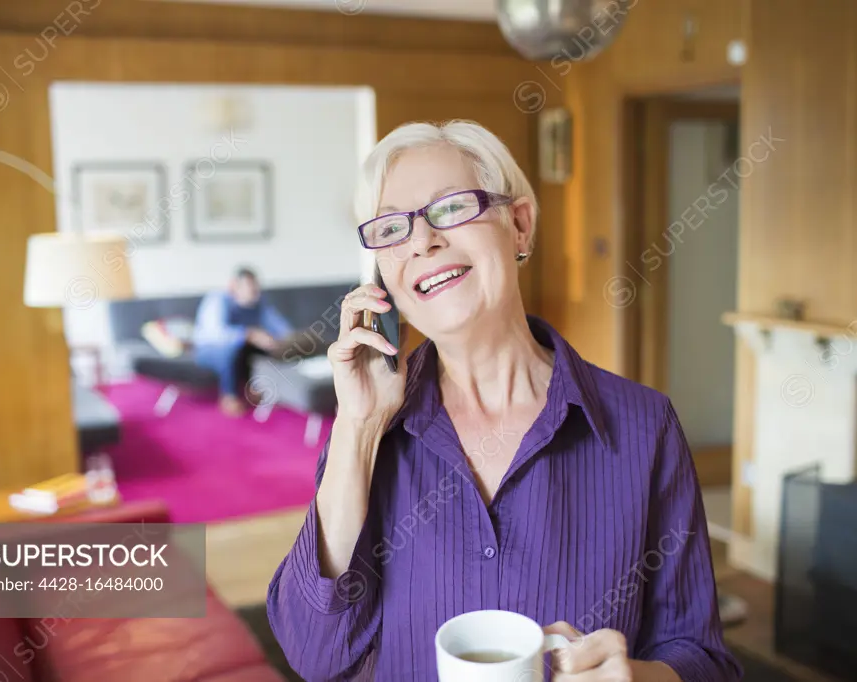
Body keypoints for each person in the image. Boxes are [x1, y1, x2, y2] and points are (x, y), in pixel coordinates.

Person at [267, 121, 742, 682]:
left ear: (519, 225)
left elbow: (704, 659)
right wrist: (359, 428)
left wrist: (639, 678)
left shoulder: (644, 425)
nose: (421, 241)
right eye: (392, 228)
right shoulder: (366, 429)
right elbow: (313, 655)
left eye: (449, 208)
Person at [193, 267, 293, 417]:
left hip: (242, 348)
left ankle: (256, 389)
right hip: (210, 349)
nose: (253, 290)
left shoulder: (258, 302)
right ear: (234, 286)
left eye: (255, 287)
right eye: (248, 286)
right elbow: (216, 334)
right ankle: (229, 396)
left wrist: (284, 340)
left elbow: (280, 327)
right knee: (232, 347)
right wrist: (250, 334)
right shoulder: (218, 299)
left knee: (262, 348)